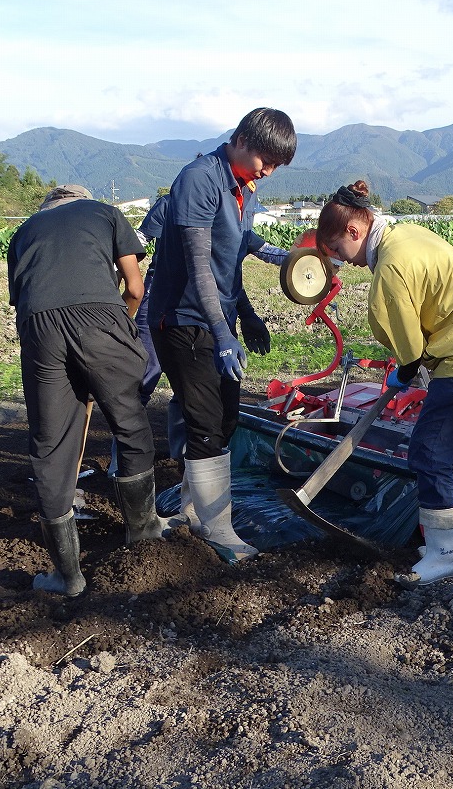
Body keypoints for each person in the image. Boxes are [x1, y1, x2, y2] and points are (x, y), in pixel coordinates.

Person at [316, 181, 453, 586]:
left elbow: (410, 352)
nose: (343, 260)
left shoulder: (390, 267)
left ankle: (442, 555)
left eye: (338, 249)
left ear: (354, 231)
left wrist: (405, 371)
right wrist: (410, 366)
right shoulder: (407, 233)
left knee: (429, 452)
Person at [147, 108, 297, 563]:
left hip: (216, 319)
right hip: (183, 320)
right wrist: (221, 331)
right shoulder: (200, 178)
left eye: (276, 166)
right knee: (206, 422)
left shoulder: (242, 188)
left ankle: (192, 511)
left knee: (227, 418)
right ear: (242, 140)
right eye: (266, 161)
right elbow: (198, 266)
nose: (268, 172)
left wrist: (246, 315)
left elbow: (229, 261)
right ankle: (218, 528)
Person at [7, 185, 165, 597]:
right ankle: (143, 536)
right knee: (129, 422)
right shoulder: (105, 213)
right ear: (81, 200)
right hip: (100, 316)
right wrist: (118, 330)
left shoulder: (24, 232)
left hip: (39, 328)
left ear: (48, 206)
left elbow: (26, 302)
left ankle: (67, 576)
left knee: (50, 444)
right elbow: (135, 288)